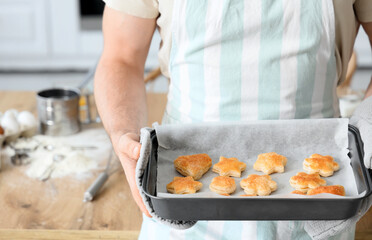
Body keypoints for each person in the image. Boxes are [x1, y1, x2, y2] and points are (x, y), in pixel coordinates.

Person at [94, 0, 372, 239]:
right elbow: (121, 57)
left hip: (321, 205)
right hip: (181, 212)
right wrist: (124, 136)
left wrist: (368, 132)